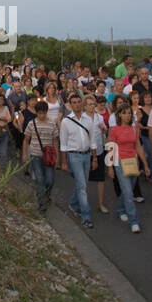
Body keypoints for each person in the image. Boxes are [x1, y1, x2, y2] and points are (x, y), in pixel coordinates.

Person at [108, 106, 150, 233]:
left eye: (129, 113)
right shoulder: (114, 130)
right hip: (120, 162)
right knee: (128, 192)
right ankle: (134, 221)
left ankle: (121, 209)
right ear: (119, 115)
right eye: (124, 113)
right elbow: (111, 148)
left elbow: (138, 146)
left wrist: (145, 165)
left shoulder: (134, 129)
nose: (127, 115)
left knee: (128, 190)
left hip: (133, 161)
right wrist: (110, 167)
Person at [59, 93, 97, 229]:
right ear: (70, 104)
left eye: (78, 102)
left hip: (87, 155)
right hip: (74, 155)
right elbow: (63, 144)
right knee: (82, 186)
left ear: (82, 103)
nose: (76, 104)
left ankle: (74, 203)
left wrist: (95, 158)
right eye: (73, 102)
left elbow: (92, 141)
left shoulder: (88, 120)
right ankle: (86, 216)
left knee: (83, 184)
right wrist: (63, 162)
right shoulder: (65, 122)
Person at [22, 100, 59, 214]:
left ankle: (46, 195)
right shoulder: (31, 124)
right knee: (40, 180)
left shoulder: (52, 123)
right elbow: (26, 140)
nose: (42, 115)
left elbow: (55, 141)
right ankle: (41, 204)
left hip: (49, 157)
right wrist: (24, 154)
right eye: (39, 113)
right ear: (36, 113)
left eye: (44, 113)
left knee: (50, 180)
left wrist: (57, 157)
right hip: (35, 155)